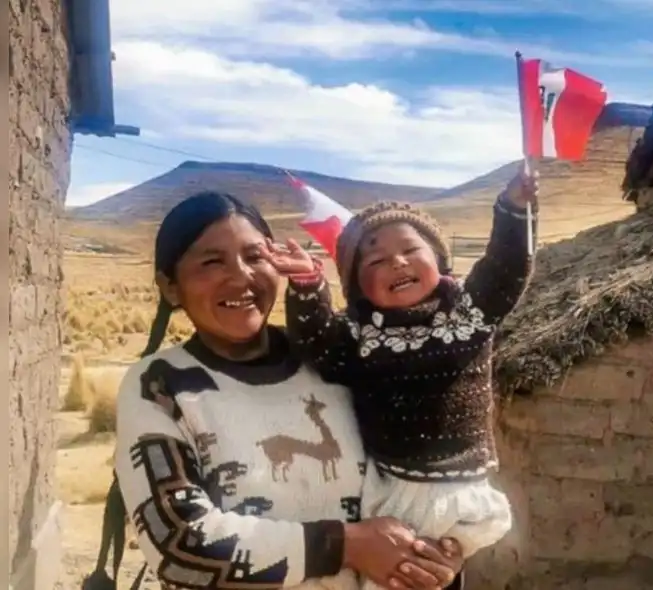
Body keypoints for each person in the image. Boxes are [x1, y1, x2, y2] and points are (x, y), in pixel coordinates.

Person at [102, 191, 465, 590]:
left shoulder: (339, 360)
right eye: (211, 262)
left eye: (256, 256)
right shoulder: (161, 385)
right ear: (170, 287)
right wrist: (347, 546)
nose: (241, 276)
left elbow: (418, 467)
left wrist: (433, 555)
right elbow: (179, 543)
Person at [265, 169, 537, 590]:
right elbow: (316, 342)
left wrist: (514, 210)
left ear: (439, 259)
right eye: (375, 260)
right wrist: (307, 286)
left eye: (411, 248)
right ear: (357, 286)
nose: (397, 262)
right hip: (392, 489)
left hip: (458, 487)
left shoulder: (467, 312)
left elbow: (505, 268)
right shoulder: (359, 334)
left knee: (429, 573)